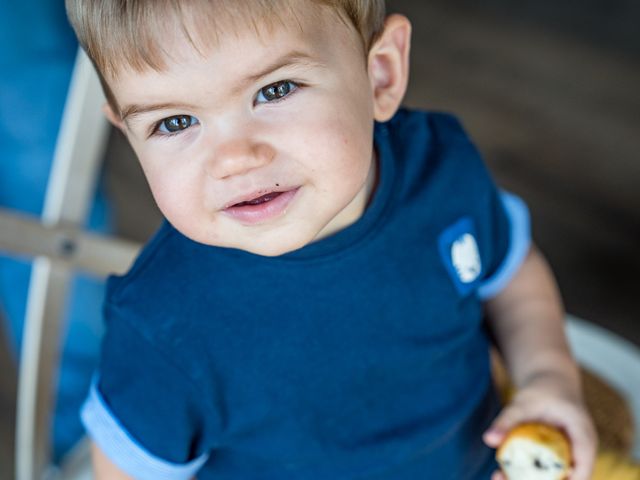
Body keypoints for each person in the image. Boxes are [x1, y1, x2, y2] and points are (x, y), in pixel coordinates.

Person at [64, 1, 597, 478]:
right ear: (128, 132)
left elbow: (511, 276)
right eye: (174, 122)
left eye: (273, 90)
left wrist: (548, 376)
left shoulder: (442, 168)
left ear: (381, 75)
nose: (235, 158)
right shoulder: (163, 325)